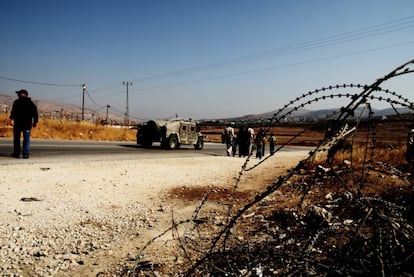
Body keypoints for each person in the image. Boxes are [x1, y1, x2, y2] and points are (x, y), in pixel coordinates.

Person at [10, 89, 38, 158]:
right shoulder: (30, 103)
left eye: (19, 94)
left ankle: (17, 153)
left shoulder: (17, 102)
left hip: (19, 124)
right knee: (25, 139)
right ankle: (25, 154)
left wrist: (12, 119)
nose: (18, 95)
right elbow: (35, 114)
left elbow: (13, 112)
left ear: (23, 94)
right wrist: (35, 122)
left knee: (17, 139)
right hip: (26, 124)